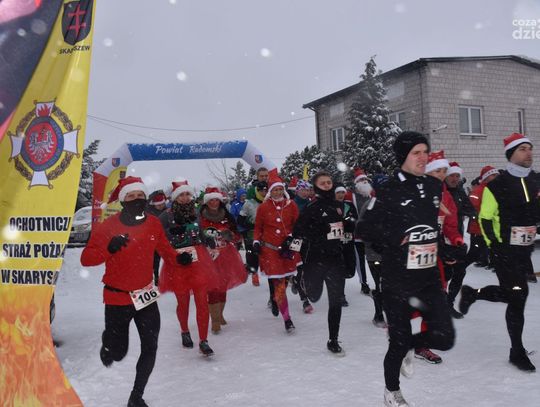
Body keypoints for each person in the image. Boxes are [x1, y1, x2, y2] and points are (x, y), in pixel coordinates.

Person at [357, 131, 455, 407]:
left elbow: (431, 227)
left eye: (425, 152)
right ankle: (392, 392)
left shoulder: (434, 186)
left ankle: (410, 345)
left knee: (445, 337)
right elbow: (364, 229)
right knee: (397, 342)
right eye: (416, 153)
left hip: (428, 275)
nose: (423, 157)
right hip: (398, 277)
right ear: (403, 156)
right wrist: (392, 237)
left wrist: (445, 250)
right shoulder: (388, 189)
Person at [81, 177, 188, 407]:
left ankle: (136, 396)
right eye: (131, 196)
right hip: (117, 297)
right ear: (123, 200)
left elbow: (166, 250)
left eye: (140, 195)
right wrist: (109, 249)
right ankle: (109, 343)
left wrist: (179, 259)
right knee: (118, 353)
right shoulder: (108, 226)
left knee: (150, 346)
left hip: (145, 297)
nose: (137, 199)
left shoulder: (153, 223)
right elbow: (86, 259)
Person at [459, 133, 539, 372]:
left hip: (524, 248)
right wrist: (495, 246)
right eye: (523, 149)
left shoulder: (535, 180)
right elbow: (484, 219)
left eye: (530, 148)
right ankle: (516, 351)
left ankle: (473, 294)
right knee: (519, 296)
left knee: (513, 295)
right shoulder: (496, 185)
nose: (529, 152)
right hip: (504, 250)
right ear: (511, 154)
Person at [292, 171, 353, 355]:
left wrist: (349, 225)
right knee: (314, 296)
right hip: (316, 260)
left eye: (329, 182)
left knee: (335, 301)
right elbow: (298, 231)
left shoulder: (339, 205)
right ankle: (302, 282)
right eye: (323, 183)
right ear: (316, 186)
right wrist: (321, 231)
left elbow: (345, 229)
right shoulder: (311, 207)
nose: (327, 185)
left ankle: (333, 339)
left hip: (335, 260)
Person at [158, 180, 216, 356]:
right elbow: (159, 240)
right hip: (177, 263)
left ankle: (204, 341)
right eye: (181, 195)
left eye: (187, 194)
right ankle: (184, 331)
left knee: (202, 302)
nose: (184, 198)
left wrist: (207, 239)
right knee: (183, 302)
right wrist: (172, 237)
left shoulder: (196, 212)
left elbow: (199, 232)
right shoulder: (166, 216)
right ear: (175, 198)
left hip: (198, 261)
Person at [253, 170, 300, 333]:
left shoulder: (291, 205)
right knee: (279, 284)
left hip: (289, 249)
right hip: (270, 251)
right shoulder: (263, 207)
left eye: (280, 189)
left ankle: (276, 299)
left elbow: (298, 226)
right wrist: (256, 241)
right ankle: (287, 319)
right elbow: (258, 227)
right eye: (275, 190)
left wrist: (293, 240)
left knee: (286, 281)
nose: (278, 192)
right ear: (270, 191)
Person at [199, 186, 247, 334]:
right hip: (208, 257)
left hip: (226, 256)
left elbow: (237, 235)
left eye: (216, 200)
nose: (214, 202)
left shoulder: (227, 215)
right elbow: (195, 234)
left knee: (223, 285)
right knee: (212, 287)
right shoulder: (200, 217)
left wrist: (230, 235)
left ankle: (220, 314)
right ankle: (214, 320)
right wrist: (205, 239)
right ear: (206, 202)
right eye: (211, 200)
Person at [444, 161, 477, 317]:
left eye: (457, 176)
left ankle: (448, 303)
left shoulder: (459, 191)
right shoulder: (439, 191)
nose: (455, 179)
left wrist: (468, 213)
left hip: (457, 238)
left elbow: (470, 209)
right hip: (441, 240)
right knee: (444, 275)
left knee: (459, 272)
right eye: (452, 175)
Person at [466, 166, 500, 269]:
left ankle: (490, 262)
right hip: (479, 226)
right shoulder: (480, 191)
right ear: (486, 177)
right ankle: (461, 266)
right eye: (493, 175)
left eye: (497, 175)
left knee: (490, 246)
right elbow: (472, 208)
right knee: (476, 250)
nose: (496, 177)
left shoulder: (495, 189)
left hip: (491, 226)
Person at [237, 181, 268, 288]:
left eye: (265, 190)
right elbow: (240, 220)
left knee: (267, 255)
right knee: (252, 255)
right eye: (261, 191)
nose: (264, 193)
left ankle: (273, 275)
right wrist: (251, 226)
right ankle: (254, 272)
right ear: (257, 191)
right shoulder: (249, 204)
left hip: (267, 234)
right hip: (251, 234)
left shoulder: (270, 202)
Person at [291, 180, 314, 313]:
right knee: (299, 268)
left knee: (307, 268)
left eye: (307, 190)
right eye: (303, 190)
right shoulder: (291, 204)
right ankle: (304, 300)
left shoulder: (311, 203)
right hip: (296, 240)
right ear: (297, 191)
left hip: (309, 240)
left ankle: (296, 282)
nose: (305, 192)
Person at [335, 185, 358, 307]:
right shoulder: (330, 205)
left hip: (348, 237)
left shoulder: (349, 204)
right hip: (335, 239)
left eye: (342, 192)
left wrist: (346, 219)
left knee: (349, 266)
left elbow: (354, 218)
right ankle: (340, 295)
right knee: (338, 266)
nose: (340, 195)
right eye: (338, 192)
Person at [352, 168, 372, 295]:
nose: (364, 181)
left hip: (371, 235)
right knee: (360, 261)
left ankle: (378, 281)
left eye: (365, 179)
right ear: (356, 183)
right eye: (361, 180)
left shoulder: (371, 195)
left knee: (373, 260)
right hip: (357, 234)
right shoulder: (351, 196)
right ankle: (363, 283)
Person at [145, 190, 168, 285]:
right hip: (149, 239)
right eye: (158, 205)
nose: (160, 206)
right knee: (150, 260)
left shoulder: (166, 211)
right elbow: (146, 201)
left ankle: (157, 277)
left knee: (157, 259)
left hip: (161, 239)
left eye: (162, 204)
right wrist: (155, 193)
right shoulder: (149, 209)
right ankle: (150, 277)